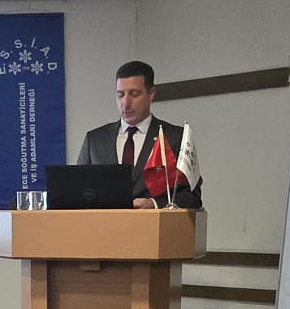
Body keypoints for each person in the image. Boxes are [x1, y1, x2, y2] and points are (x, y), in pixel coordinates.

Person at [75, 60, 202, 208]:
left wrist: (153, 204)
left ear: (151, 94)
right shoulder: (95, 141)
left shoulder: (174, 138)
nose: (126, 103)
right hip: (104, 222)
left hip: (153, 222)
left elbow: (192, 195)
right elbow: (78, 192)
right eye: (120, 95)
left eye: (134, 94)